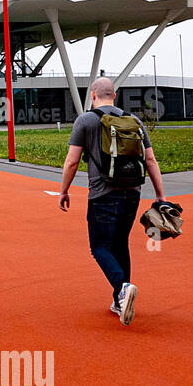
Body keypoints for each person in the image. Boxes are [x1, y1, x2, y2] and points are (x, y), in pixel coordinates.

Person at [57, 78, 168, 326]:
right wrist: (160, 196)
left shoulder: (85, 120)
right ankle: (120, 301)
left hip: (103, 194)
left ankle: (122, 287)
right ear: (115, 96)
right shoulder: (135, 121)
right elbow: (150, 160)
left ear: (93, 96)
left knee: (99, 247)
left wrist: (64, 190)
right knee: (120, 244)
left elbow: (72, 161)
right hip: (132, 192)